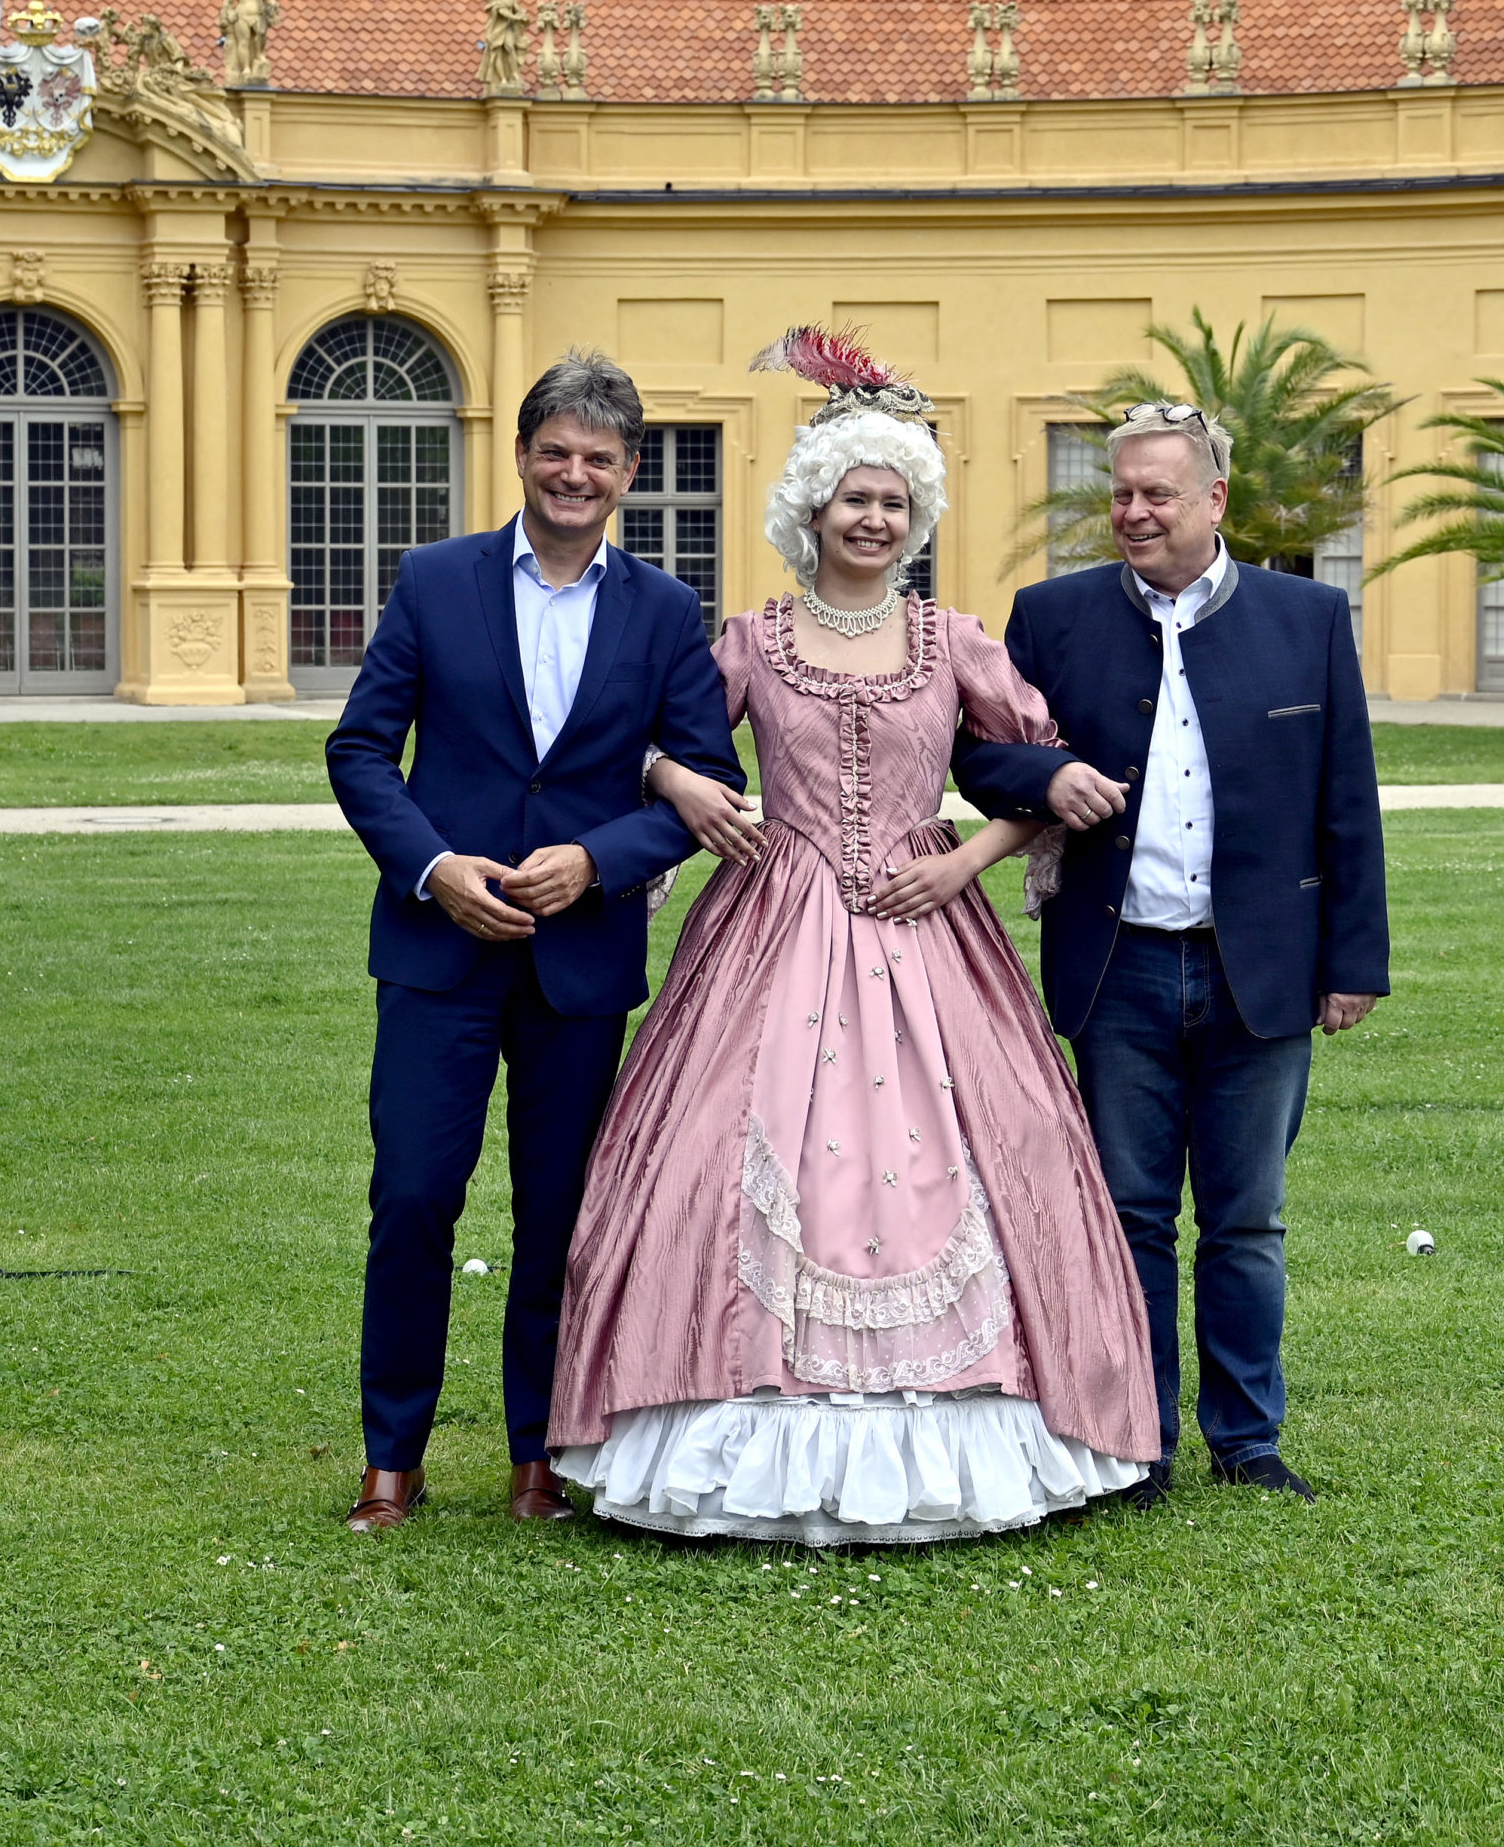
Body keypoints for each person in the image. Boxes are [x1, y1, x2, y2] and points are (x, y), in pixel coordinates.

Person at [546, 328, 1159, 1544]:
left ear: (913, 514)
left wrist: (968, 858)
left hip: (928, 922)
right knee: (720, 1153)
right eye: (850, 498)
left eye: (891, 500)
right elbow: (640, 740)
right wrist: (681, 785)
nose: (870, 519)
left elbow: (1033, 771)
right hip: (776, 917)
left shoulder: (956, 642)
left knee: (1002, 1146)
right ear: (811, 510)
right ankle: (720, 1415)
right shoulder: (749, 640)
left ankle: (992, 1424)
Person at [324, 350, 745, 1533]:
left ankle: (539, 1457)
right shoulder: (434, 580)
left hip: (578, 963)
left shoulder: (664, 610)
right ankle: (390, 1460)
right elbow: (360, 749)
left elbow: (705, 780)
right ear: (519, 456)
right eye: (554, 451)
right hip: (437, 950)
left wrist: (599, 860)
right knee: (413, 1197)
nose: (574, 473)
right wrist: (434, 866)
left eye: (598, 458)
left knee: (558, 1215)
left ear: (628, 472)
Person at [953, 402, 1390, 1505]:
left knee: (1246, 1219)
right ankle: (1136, 1443)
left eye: (1157, 493)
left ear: (1214, 501)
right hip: (1119, 964)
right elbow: (976, 752)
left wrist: (1353, 960)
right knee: (1130, 1214)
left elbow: (1347, 801)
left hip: (1264, 970)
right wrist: (1040, 779)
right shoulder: (1050, 617)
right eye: (1121, 494)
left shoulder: (1308, 618)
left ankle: (1246, 1440)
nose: (1134, 512)